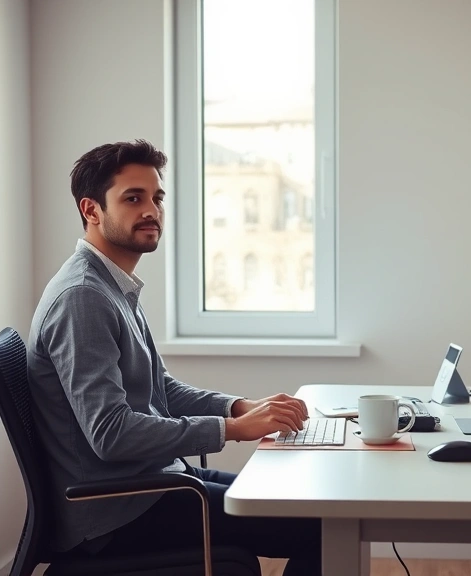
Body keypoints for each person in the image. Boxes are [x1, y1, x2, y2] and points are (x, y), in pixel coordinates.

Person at [26, 139, 322, 574]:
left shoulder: (112, 284)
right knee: (318, 526)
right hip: (118, 512)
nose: (152, 210)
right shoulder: (84, 298)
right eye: (133, 198)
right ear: (91, 210)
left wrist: (240, 407)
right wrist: (233, 429)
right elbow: (111, 434)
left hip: (154, 482)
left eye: (156, 197)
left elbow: (160, 389)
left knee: (302, 506)